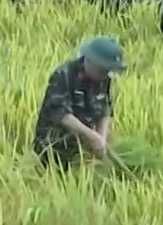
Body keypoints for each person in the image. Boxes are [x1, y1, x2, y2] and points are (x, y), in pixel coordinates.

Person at [33, 36, 124, 167]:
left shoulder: (103, 79)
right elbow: (62, 115)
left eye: (107, 71)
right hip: (54, 146)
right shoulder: (63, 75)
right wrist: (92, 137)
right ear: (89, 61)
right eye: (102, 70)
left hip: (85, 146)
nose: (105, 75)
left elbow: (105, 110)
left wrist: (101, 138)